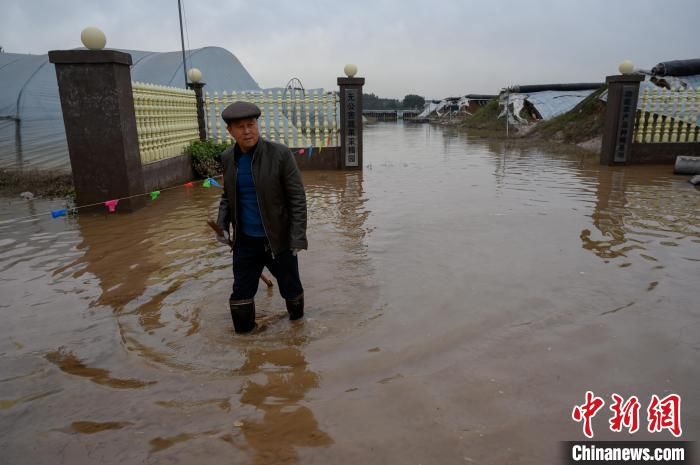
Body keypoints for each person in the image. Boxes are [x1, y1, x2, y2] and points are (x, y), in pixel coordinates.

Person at [215, 101, 307, 333]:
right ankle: (246, 348)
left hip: (278, 240)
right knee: (241, 294)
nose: (247, 131)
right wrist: (222, 224)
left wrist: (296, 238)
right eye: (240, 127)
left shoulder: (280, 154)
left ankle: (298, 335)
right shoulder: (228, 158)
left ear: (257, 124)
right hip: (245, 241)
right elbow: (228, 196)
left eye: (251, 124)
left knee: (291, 289)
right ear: (230, 131)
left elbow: (297, 198)